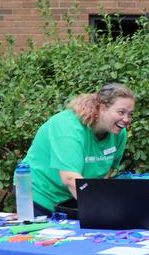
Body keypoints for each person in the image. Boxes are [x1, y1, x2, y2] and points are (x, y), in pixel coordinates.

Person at [20, 83, 135, 216]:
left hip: (74, 199)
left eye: (130, 114)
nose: (126, 119)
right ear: (103, 108)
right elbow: (70, 178)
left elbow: (108, 172)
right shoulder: (68, 127)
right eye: (121, 112)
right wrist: (102, 212)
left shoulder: (119, 133)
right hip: (40, 197)